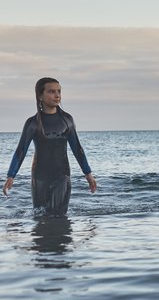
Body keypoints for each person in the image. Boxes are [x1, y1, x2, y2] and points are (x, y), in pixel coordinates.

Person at [3, 77, 98, 216]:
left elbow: (77, 148)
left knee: (59, 217)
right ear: (40, 96)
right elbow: (21, 150)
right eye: (51, 91)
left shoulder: (67, 120)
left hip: (62, 176)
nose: (57, 95)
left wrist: (88, 174)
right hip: (40, 178)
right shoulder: (33, 123)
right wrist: (11, 176)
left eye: (59, 91)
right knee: (40, 216)